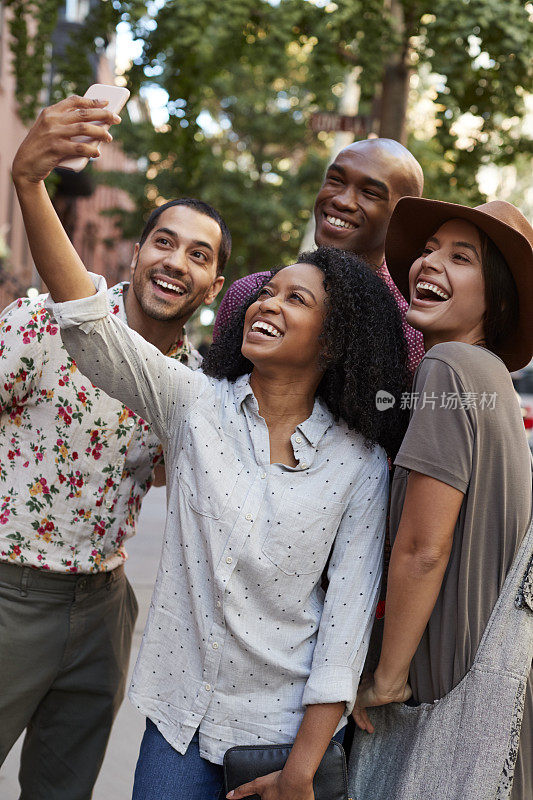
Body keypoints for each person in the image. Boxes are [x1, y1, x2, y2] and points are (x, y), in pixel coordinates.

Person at [13, 129, 412, 797]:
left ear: (334, 337)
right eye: (268, 292)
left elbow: (342, 636)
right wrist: (29, 186)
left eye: (296, 299)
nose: (266, 303)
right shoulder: (193, 404)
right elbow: (85, 319)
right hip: (177, 726)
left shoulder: (358, 466)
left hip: (284, 739)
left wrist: (302, 771)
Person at [1, 95, 229, 799]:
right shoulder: (42, 321)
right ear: (138, 249)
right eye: (165, 242)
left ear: (213, 285)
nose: (175, 263)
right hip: (11, 588)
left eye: (199, 255)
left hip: (104, 607)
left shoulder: (190, 388)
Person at [350, 197, 533, 799]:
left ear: (498, 301)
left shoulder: (450, 369)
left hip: (443, 698)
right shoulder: (493, 383)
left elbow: (424, 547)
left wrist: (387, 677)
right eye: (429, 250)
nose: (430, 263)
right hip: (495, 695)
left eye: (462, 257)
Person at [214, 137, 426, 373]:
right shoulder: (250, 294)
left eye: (370, 193)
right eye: (335, 180)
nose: (342, 201)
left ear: (402, 219)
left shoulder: (413, 323)